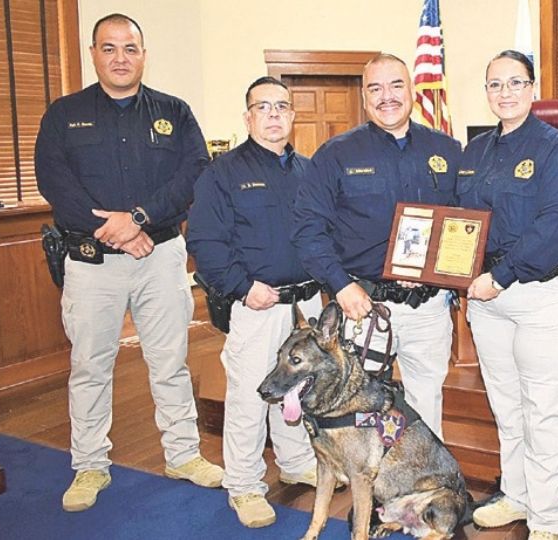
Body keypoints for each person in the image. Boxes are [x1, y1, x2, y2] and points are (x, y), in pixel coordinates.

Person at [34, 13, 222, 512]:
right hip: (91, 261)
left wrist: (138, 219)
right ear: (93, 53)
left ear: (143, 53)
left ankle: (183, 454)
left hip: (160, 256)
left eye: (130, 48)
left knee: (170, 363)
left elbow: (194, 173)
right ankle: (90, 463)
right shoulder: (63, 114)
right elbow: (53, 182)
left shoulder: (174, 112)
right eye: (110, 48)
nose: (121, 57)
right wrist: (113, 231)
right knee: (90, 365)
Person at [456, 50, 558, 540]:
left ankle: (546, 519)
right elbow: (460, 223)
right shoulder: (474, 152)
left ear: (532, 88)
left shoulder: (555, 148)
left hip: (544, 296)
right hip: (489, 302)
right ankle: (516, 496)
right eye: (495, 85)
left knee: (544, 414)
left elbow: (556, 228)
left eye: (515, 83)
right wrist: (457, 272)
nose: (505, 93)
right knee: (508, 407)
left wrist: (500, 276)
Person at [292, 53, 462, 437]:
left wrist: (445, 273)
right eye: (376, 88)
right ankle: (367, 493)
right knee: (357, 408)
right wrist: (340, 285)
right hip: (362, 306)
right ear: (365, 98)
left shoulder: (448, 151)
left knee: (425, 403)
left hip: (427, 308)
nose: (387, 96)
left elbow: (462, 225)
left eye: (396, 85)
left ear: (413, 91)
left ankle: (420, 491)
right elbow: (307, 229)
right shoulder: (335, 155)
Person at [186, 77, 323, 529]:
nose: (274, 115)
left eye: (282, 107)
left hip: (305, 303)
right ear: (247, 117)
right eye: (263, 108)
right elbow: (205, 242)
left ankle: (295, 459)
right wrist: (244, 288)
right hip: (257, 303)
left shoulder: (308, 171)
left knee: (298, 391)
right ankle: (244, 485)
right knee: (250, 396)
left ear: (293, 115)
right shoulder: (223, 173)